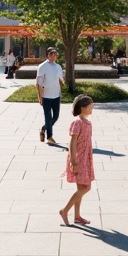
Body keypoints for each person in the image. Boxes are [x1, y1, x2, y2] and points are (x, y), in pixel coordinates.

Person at [58, 94, 95, 226]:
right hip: (79, 158)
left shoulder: (87, 123)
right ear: (83, 107)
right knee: (86, 187)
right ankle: (64, 210)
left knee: (81, 187)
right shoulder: (77, 123)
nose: (92, 109)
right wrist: (73, 161)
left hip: (86, 158)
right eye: (90, 107)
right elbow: (72, 143)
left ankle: (77, 216)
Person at [36, 47, 65, 144]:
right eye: (51, 55)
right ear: (47, 55)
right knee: (48, 117)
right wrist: (40, 96)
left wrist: (63, 85)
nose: (53, 57)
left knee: (56, 116)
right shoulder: (42, 66)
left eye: (55, 55)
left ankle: (43, 129)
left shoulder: (58, 67)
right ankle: (49, 137)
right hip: (46, 96)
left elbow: (60, 79)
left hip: (56, 95)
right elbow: (38, 83)